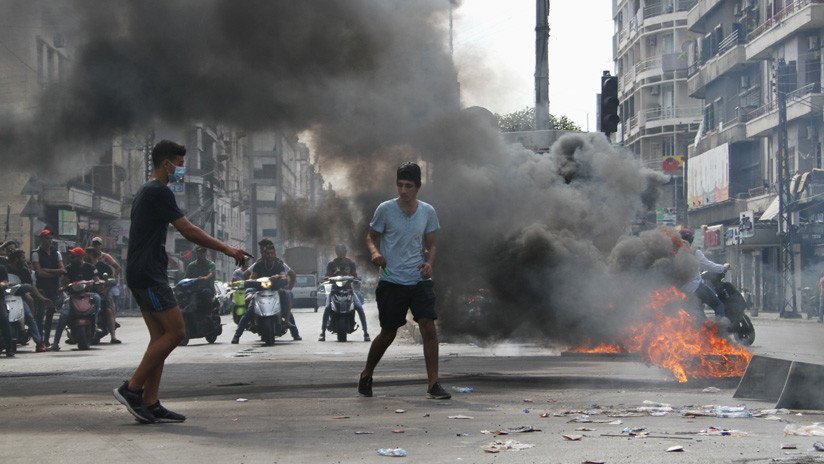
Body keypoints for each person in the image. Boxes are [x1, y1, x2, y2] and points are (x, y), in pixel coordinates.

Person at [112, 139, 247, 424]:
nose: (182, 170)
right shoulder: (158, 191)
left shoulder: (147, 191)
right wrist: (227, 248)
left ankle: (150, 402)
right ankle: (132, 389)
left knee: (160, 337)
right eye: (181, 164)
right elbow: (188, 230)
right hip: (149, 274)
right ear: (167, 164)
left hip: (144, 270)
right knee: (176, 332)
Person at [358, 162, 450, 400]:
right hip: (392, 279)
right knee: (388, 332)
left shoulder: (428, 212)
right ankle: (367, 373)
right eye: (400, 185)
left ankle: (433, 384)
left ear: (417, 187)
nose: (403, 190)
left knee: (428, 327)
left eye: (408, 186)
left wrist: (430, 263)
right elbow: (370, 236)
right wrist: (375, 253)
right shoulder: (385, 209)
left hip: (419, 279)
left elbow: (431, 244)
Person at [231, 244, 295, 344]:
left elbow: (284, 275)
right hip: (259, 291)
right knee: (249, 309)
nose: (269, 255)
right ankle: (237, 335)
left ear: (274, 254)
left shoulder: (279, 264)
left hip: (275, 290)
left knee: (287, 295)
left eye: (271, 253)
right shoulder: (258, 264)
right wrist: (251, 281)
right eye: (267, 253)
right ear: (264, 254)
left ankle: (287, 321)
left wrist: (278, 277)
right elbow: (252, 277)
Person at [50, 247, 100, 351]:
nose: (71, 258)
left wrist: (96, 282)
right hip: (72, 295)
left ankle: (95, 322)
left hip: (88, 293)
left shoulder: (91, 267)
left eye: (74, 256)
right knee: (63, 315)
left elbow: (97, 280)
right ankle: (55, 343)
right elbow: (64, 281)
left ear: (81, 257)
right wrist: (63, 286)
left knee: (97, 298)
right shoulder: (68, 268)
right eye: (71, 256)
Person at [319, 243, 370, 342]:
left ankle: (366, 332)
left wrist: (354, 278)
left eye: (343, 250)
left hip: (349, 291)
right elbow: (326, 276)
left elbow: (355, 276)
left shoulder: (351, 263)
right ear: (336, 252)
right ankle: (322, 333)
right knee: (327, 308)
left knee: (359, 307)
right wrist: (329, 277)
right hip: (334, 291)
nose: (341, 252)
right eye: (339, 250)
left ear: (346, 252)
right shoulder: (331, 264)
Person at [679, 228, 729, 320]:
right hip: (695, 287)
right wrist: (724, 268)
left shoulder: (672, 254)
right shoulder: (694, 252)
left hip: (680, 292)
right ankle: (720, 330)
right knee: (718, 305)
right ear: (692, 239)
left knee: (700, 317)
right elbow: (709, 265)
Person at [6, 249, 47, 352]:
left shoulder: (24, 270)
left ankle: (39, 342)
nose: (24, 261)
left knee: (29, 317)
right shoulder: (5, 269)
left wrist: (41, 297)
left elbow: (31, 286)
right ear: (16, 259)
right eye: (23, 258)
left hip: (19, 297)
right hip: (5, 297)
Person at [31, 229, 64, 345]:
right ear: (41, 239)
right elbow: (39, 272)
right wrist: (55, 272)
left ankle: (46, 340)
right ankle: (39, 340)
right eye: (46, 238)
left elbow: (62, 270)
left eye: (50, 238)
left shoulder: (57, 253)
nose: (48, 241)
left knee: (50, 313)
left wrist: (47, 270)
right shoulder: (36, 253)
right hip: (41, 288)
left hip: (53, 287)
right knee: (40, 315)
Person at [85, 247, 120, 344]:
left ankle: (113, 336)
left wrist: (105, 289)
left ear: (92, 254)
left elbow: (111, 280)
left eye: (87, 254)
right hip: (84, 294)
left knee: (108, 310)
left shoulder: (104, 267)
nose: (85, 256)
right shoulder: (83, 266)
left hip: (101, 294)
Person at [184, 246, 216, 312]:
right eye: (200, 252)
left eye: (203, 252)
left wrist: (204, 278)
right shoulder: (191, 266)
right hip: (194, 289)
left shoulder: (211, 264)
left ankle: (208, 314)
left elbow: (211, 273)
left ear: (206, 253)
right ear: (196, 253)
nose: (202, 254)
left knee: (206, 293)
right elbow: (186, 278)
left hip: (207, 288)